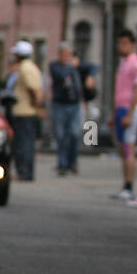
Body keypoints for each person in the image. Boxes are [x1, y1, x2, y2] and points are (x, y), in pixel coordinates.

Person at [47, 41, 85, 176]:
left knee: (74, 133)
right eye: (64, 54)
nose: (66, 57)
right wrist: (71, 66)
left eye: (68, 54)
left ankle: (72, 162)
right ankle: (62, 165)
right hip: (60, 104)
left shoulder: (74, 66)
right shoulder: (55, 66)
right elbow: (61, 76)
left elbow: (92, 67)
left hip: (74, 104)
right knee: (61, 135)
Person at [112, 30, 137, 200]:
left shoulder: (136, 64)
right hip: (120, 107)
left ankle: (129, 185)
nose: (121, 46)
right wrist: (113, 112)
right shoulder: (122, 62)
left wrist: (130, 114)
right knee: (123, 148)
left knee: (128, 147)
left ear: (132, 44)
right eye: (119, 43)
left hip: (131, 109)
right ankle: (125, 184)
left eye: (125, 43)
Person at [8, 40, 43, 181]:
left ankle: (24, 172)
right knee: (26, 143)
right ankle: (26, 172)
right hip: (27, 111)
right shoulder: (31, 66)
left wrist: (36, 104)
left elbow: (32, 89)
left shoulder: (25, 68)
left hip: (23, 111)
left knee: (23, 144)